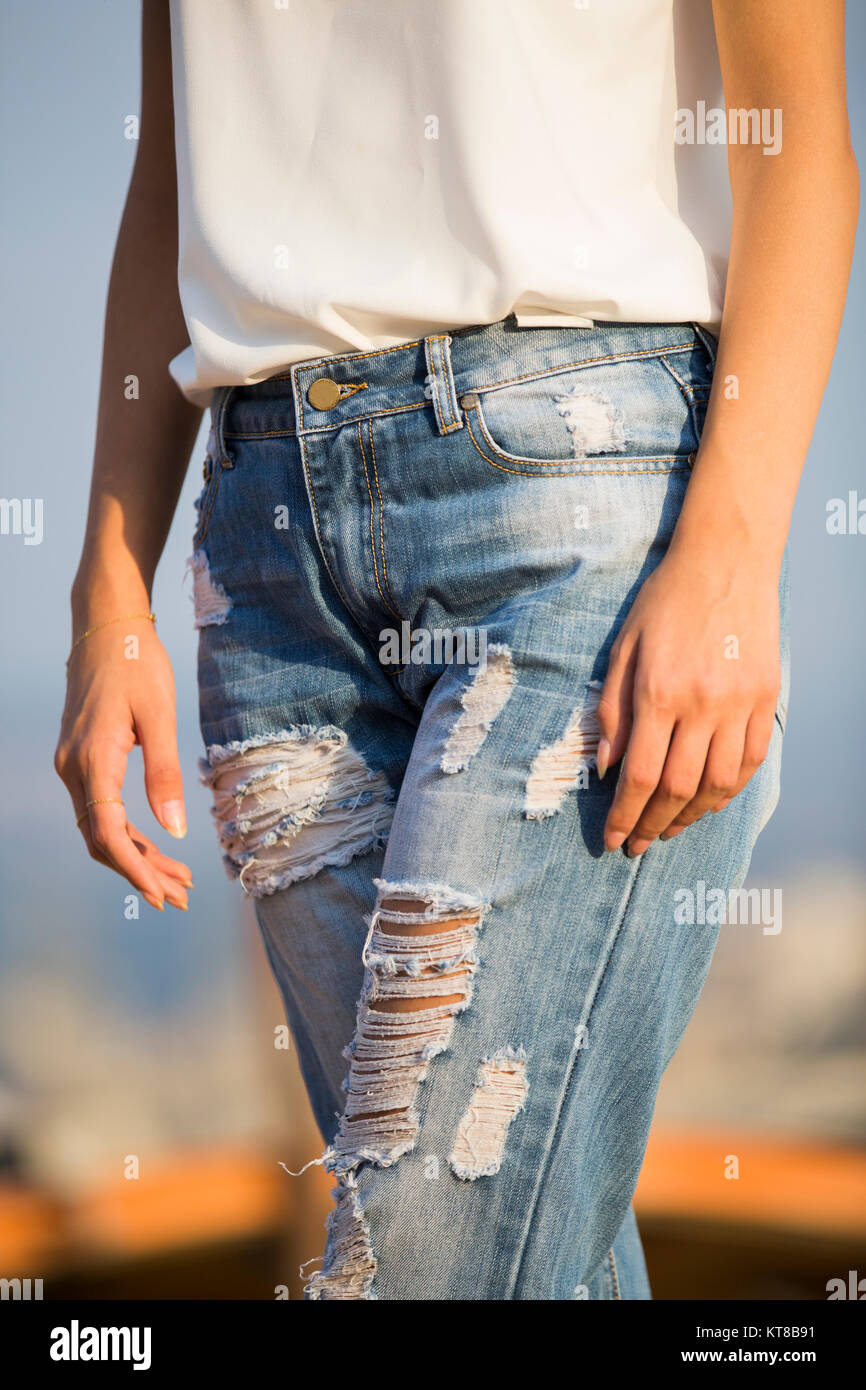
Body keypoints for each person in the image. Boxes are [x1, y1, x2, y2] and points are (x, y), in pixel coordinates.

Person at [55, 0, 858, 1299]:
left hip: (576, 505)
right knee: (532, 1256)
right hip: (264, 559)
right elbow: (174, 179)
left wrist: (730, 553)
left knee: (420, 1269)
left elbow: (799, 134)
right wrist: (109, 592)